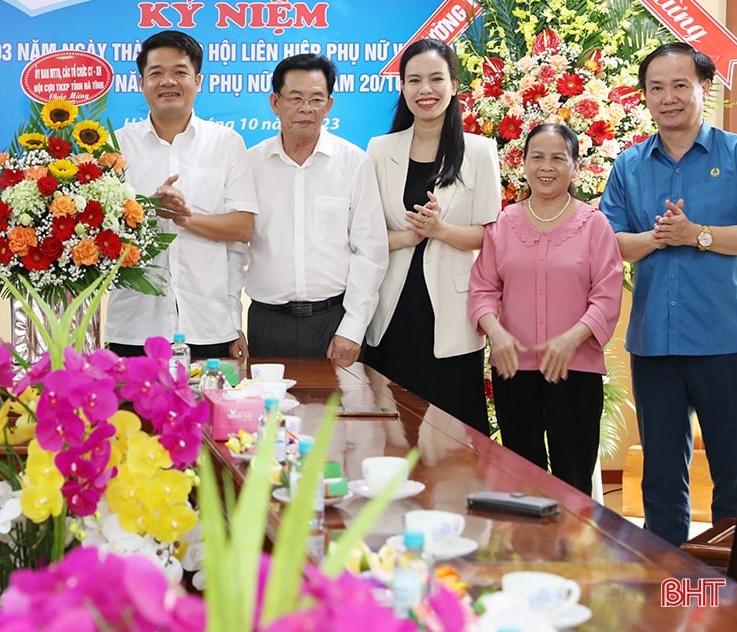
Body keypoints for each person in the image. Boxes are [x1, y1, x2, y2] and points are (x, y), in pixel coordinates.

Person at [599, 42, 737, 546]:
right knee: (662, 480)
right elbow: (610, 240)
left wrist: (698, 234)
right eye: (656, 88)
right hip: (654, 344)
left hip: (727, 340)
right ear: (644, 96)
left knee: (735, 475)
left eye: (680, 85)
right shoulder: (630, 165)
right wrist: (658, 238)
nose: (668, 97)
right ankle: (669, 595)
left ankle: (733, 596)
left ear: (704, 89)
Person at [469, 123, 623, 495]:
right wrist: (496, 332)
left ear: (576, 167)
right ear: (522, 164)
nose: (546, 166)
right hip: (513, 369)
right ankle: (528, 552)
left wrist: (571, 339)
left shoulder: (594, 225)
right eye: (537, 156)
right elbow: (482, 289)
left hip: (575, 370)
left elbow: (606, 293)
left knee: (573, 481)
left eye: (558, 157)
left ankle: (573, 553)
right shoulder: (504, 223)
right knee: (521, 481)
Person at [363, 38, 501, 434]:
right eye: (414, 80)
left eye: (436, 79)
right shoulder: (379, 149)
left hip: (451, 312)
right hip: (391, 309)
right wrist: (405, 237)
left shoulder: (478, 150)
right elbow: (364, 233)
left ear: (454, 85)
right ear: (402, 87)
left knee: (455, 435)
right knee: (392, 431)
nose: (426, 90)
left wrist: (440, 230)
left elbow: (490, 236)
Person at [105, 30, 256, 360]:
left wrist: (184, 217)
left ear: (198, 81)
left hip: (209, 325)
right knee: (128, 413)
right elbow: (99, 233)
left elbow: (243, 227)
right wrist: (145, 212)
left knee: (206, 411)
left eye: (179, 72)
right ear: (141, 82)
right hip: (133, 325)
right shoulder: (116, 146)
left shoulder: (227, 144)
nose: (167, 81)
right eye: (156, 73)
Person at [245, 53, 388, 365]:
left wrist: (353, 327)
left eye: (315, 99)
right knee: (269, 414)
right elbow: (231, 249)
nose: (306, 108)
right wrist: (230, 322)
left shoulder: (354, 163)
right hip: (267, 323)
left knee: (335, 414)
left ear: (330, 105)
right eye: (295, 98)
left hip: (333, 321)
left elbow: (371, 251)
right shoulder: (249, 164)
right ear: (275, 102)